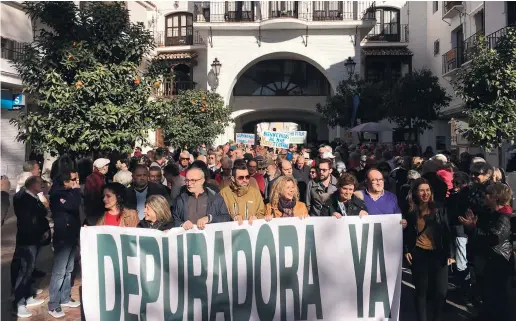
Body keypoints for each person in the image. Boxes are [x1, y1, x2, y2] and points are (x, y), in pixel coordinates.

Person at [460, 183, 513, 321]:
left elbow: (494, 237)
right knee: (487, 294)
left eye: (489, 194)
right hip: (486, 261)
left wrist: (473, 228)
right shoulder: (490, 213)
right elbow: (478, 233)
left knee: (498, 297)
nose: (485, 196)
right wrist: (471, 227)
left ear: (496, 198)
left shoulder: (504, 216)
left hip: (498, 261)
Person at [403, 178, 454, 321]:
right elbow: (407, 233)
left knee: (441, 291)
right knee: (421, 290)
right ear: (415, 193)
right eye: (421, 190)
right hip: (418, 253)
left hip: (438, 253)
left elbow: (447, 231)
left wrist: (450, 253)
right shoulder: (410, 210)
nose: (425, 193)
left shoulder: (439, 208)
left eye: (427, 190)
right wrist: (406, 250)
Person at [11, 176, 49, 318]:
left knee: (29, 269)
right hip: (28, 239)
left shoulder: (27, 195)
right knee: (24, 270)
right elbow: (34, 217)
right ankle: (19, 303)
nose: (43, 187)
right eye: (41, 184)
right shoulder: (25, 199)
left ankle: (27, 296)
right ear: (33, 185)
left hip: (31, 238)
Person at [48, 170, 82, 318]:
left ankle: (65, 297)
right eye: (73, 180)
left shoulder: (67, 192)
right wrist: (76, 191)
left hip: (71, 234)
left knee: (69, 269)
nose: (76, 182)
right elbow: (72, 206)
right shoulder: (57, 194)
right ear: (65, 182)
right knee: (59, 271)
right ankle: (54, 304)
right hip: (62, 236)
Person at [220, 160, 264, 224]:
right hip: (232, 232)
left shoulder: (255, 193)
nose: (245, 180)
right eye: (241, 178)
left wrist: (257, 218)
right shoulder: (224, 193)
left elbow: (261, 213)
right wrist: (232, 218)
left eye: (247, 177)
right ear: (233, 178)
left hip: (250, 231)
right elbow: (218, 215)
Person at [83, 158, 110, 224]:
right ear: (103, 167)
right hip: (96, 212)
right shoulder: (97, 178)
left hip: (94, 211)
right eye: (107, 165)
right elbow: (94, 196)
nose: (108, 167)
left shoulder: (96, 177)